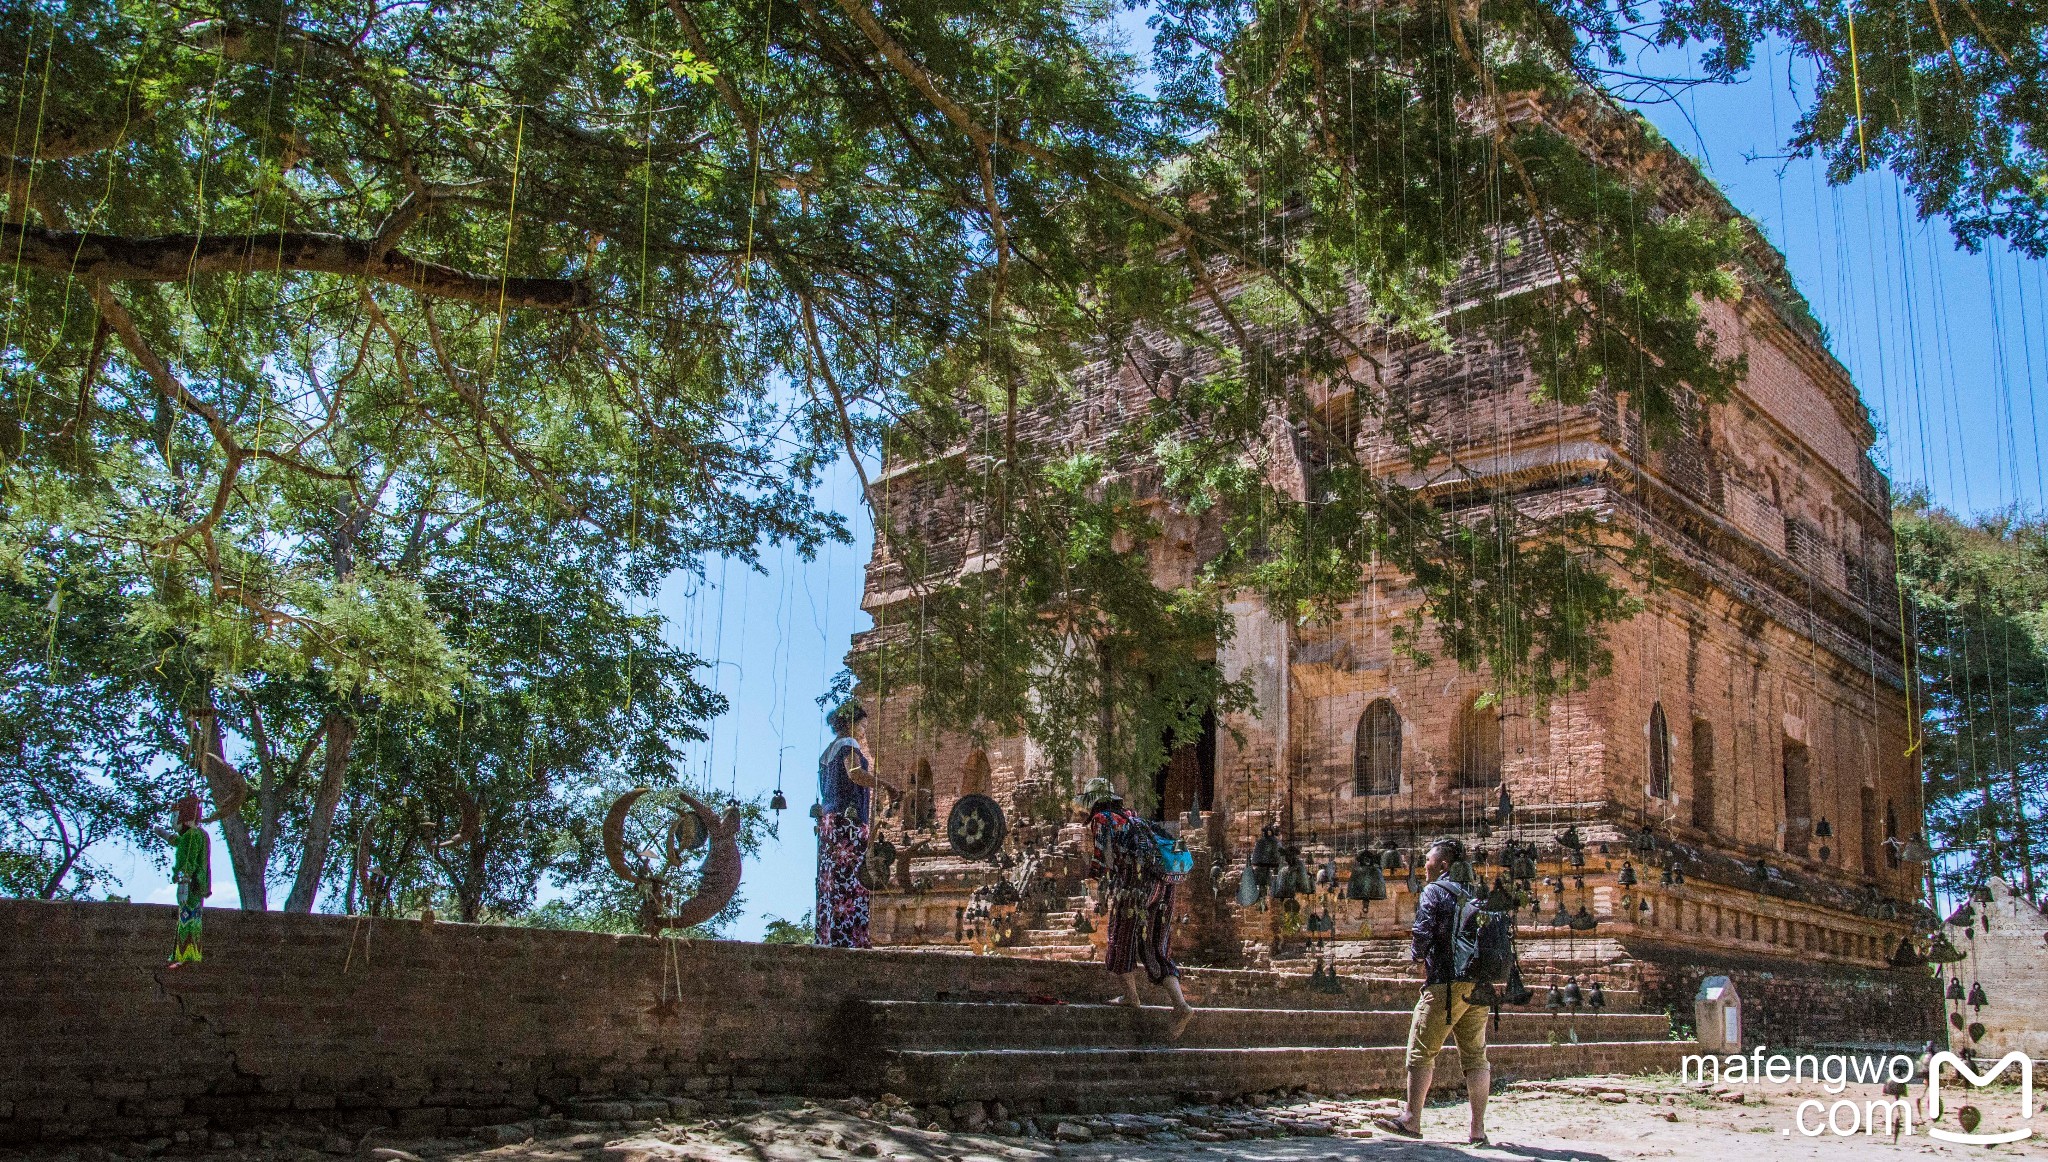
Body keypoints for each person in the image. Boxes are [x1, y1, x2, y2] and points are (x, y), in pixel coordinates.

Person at [1375, 837, 1490, 1145]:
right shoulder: (1476, 892)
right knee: (1476, 1057)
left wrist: (1416, 956)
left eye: (1427, 861)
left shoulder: (1434, 891)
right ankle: (1477, 1130)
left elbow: (1422, 932)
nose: (1423, 866)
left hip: (1445, 982)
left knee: (1421, 1050)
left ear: (1442, 865)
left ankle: (1411, 1119)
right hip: (1479, 984)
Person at [1084, 781, 1197, 1039]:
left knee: (1120, 937)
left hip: (1134, 888)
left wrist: (1098, 879)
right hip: (1165, 887)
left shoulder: (1103, 819)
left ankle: (1131, 996)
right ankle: (1180, 1004)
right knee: (1156, 946)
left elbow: (1102, 860)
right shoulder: (1137, 820)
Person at [814, 701, 876, 948]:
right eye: (862, 725)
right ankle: (850, 939)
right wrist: (885, 785)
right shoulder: (848, 745)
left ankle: (829, 936)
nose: (863, 730)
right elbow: (855, 774)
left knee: (831, 882)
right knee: (852, 880)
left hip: (830, 823)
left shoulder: (827, 752)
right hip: (847, 824)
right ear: (851, 724)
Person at [168, 793, 211, 967]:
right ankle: (188, 954)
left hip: (190, 883)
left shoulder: (191, 835)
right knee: (193, 916)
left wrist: (184, 881)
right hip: (198, 883)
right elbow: (183, 844)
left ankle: (184, 955)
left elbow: (188, 860)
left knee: (187, 916)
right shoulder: (200, 834)